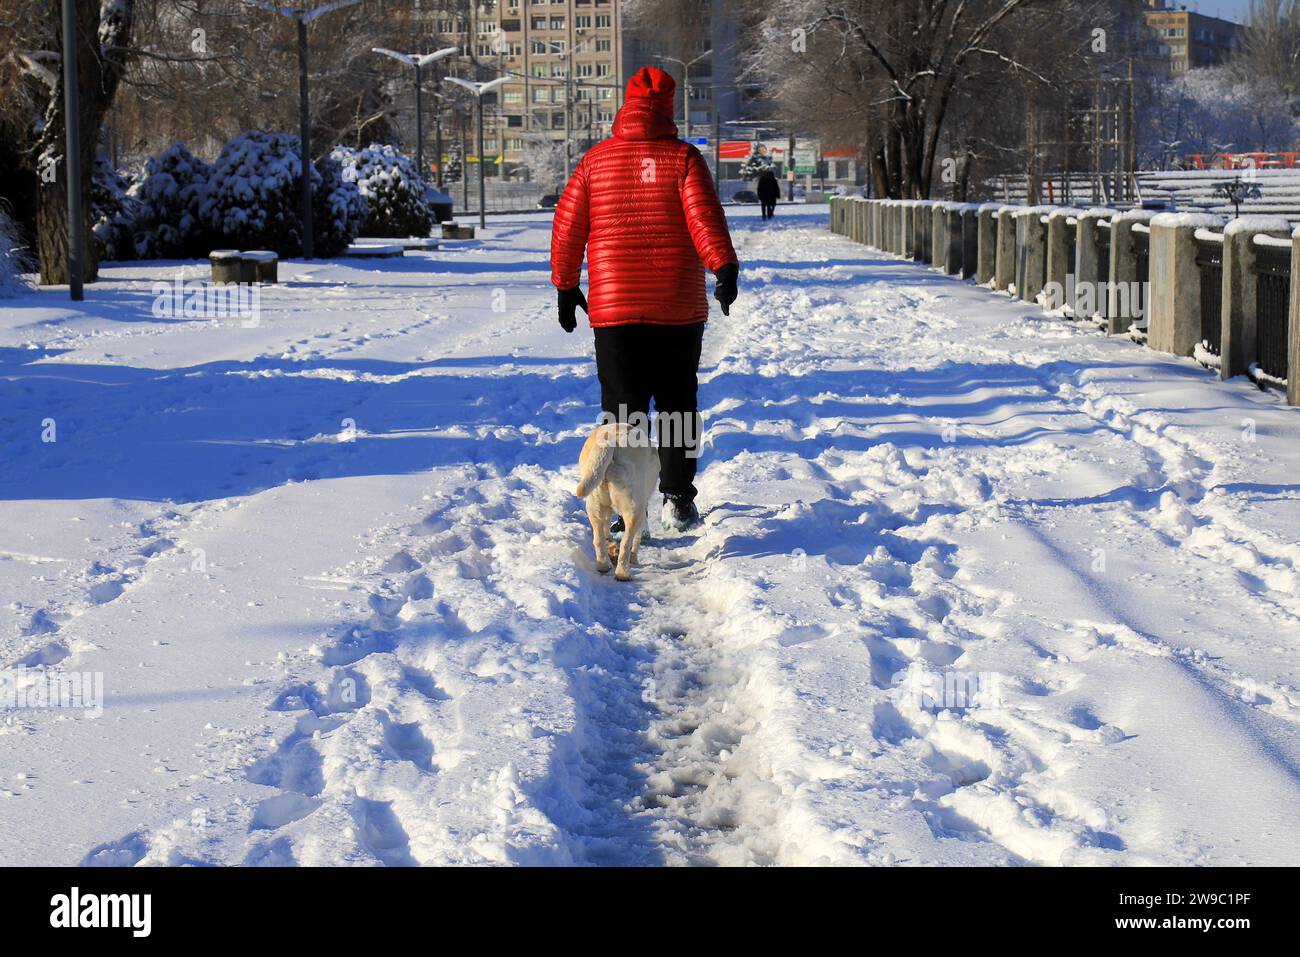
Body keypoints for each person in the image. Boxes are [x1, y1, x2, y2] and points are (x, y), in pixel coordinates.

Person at [550, 65, 739, 533]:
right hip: (676, 308)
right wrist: (724, 266)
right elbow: (704, 219)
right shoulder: (683, 159)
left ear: (625, 107)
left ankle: (625, 510)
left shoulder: (596, 160)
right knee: (677, 405)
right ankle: (677, 498)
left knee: (624, 412)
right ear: (667, 110)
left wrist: (566, 284)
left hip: (615, 312)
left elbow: (568, 225)